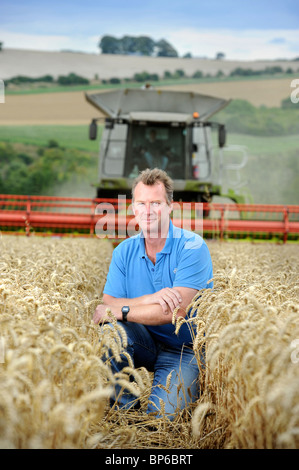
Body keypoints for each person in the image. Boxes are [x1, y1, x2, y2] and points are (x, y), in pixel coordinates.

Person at [93, 168, 213, 420]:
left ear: (171, 207)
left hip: (183, 349)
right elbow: (107, 307)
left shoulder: (193, 247)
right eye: (141, 203)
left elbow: (175, 312)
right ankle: (123, 411)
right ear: (133, 208)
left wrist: (122, 309)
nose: (147, 211)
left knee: (162, 422)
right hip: (143, 338)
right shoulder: (123, 251)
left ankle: (154, 413)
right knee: (111, 331)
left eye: (156, 203)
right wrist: (150, 298)